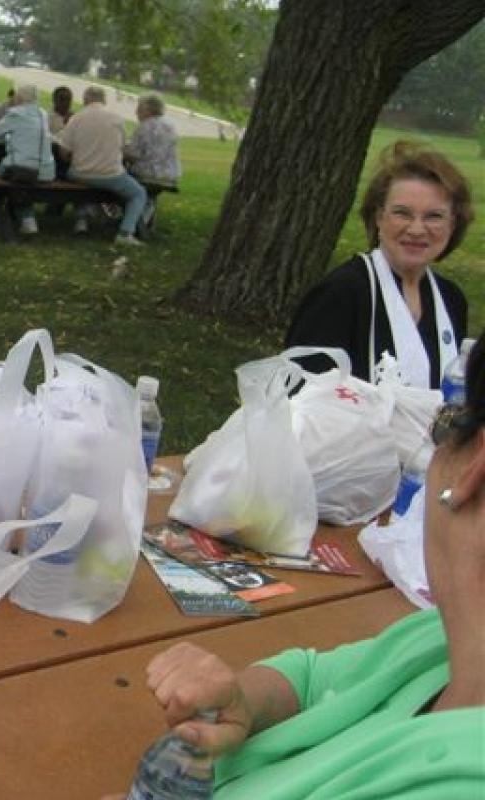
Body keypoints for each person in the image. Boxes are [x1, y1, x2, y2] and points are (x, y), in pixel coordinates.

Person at [110, 337, 485, 798]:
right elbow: (311, 679)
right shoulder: (440, 642)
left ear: (473, 471)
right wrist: (245, 701)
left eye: (446, 424)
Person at [285, 141, 473, 388]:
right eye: (402, 213)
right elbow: (300, 399)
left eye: (434, 216)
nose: (417, 229)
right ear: (378, 217)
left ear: (453, 224)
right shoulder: (341, 294)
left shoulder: (451, 300)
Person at [55, 85, 147, 245]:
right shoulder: (117, 119)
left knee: (78, 183)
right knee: (138, 193)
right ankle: (125, 232)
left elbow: (64, 152)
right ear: (104, 100)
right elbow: (123, 148)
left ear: (85, 100)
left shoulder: (76, 118)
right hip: (110, 174)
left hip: (80, 173)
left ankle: (82, 220)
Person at [0, 84, 55, 235]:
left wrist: (8, 138)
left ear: (19, 97)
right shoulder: (42, 114)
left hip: (22, 170)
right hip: (46, 171)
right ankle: (26, 218)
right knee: (19, 181)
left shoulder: (15, 114)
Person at [124, 94, 180, 186]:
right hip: (170, 174)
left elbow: (133, 154)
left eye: (139, 109)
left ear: (148, 110)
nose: (136, 112)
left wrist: (122, 150)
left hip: (148, 174)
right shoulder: (170, 126)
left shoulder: (144, 127)